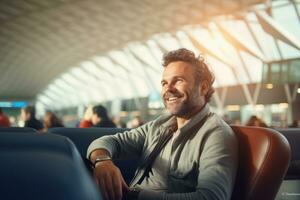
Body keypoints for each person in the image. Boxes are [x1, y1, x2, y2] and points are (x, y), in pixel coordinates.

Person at [87, 48, 238, 200]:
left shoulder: (215, 134)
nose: (168, 89)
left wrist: (133, 196)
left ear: (203, 88)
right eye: (164, 83)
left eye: (178, 80)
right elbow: (111, 142)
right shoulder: (161, 124)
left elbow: (212, 197)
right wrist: (102, 161)